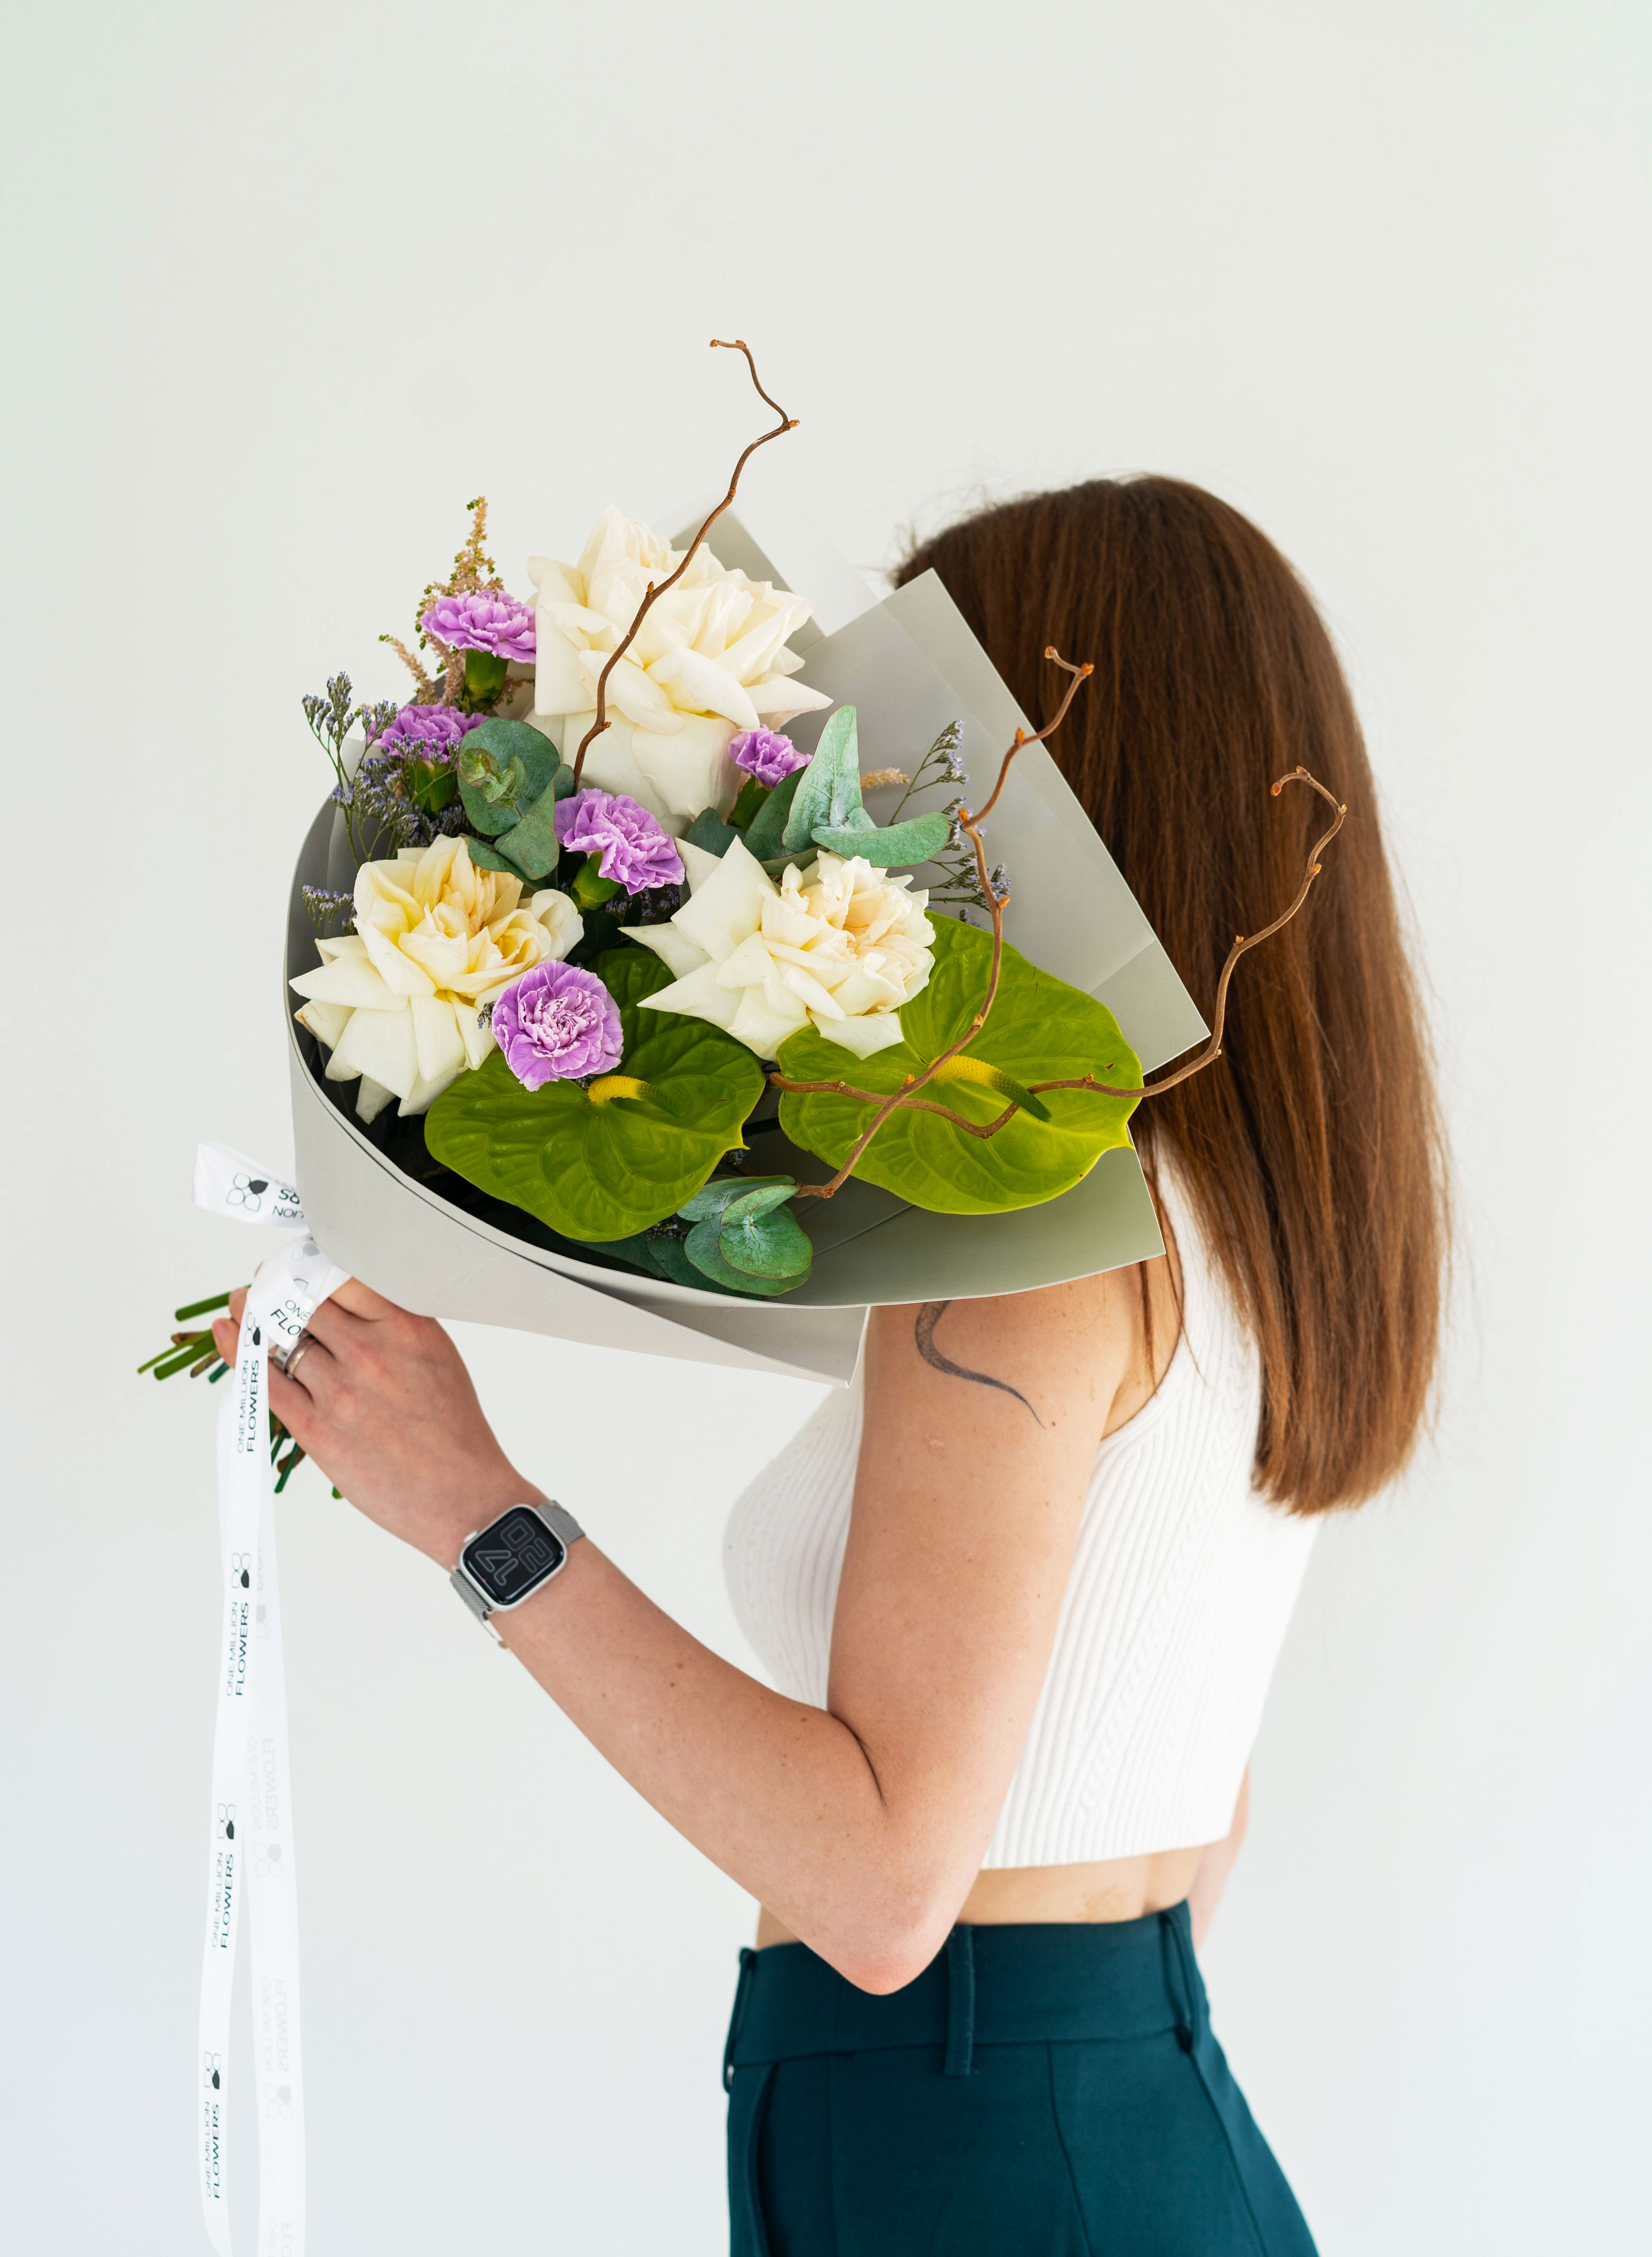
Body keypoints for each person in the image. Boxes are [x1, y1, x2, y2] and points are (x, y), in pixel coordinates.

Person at [215, 476, 1448, 2255]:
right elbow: (1177, 1791)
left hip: (975, 2139)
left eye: (935, 740)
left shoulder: (1046, 1261)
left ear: (1067, 778)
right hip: (1106, 2106)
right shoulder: (1257, 1233)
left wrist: (477, 1511)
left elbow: (881, 1897)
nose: (880, 809)